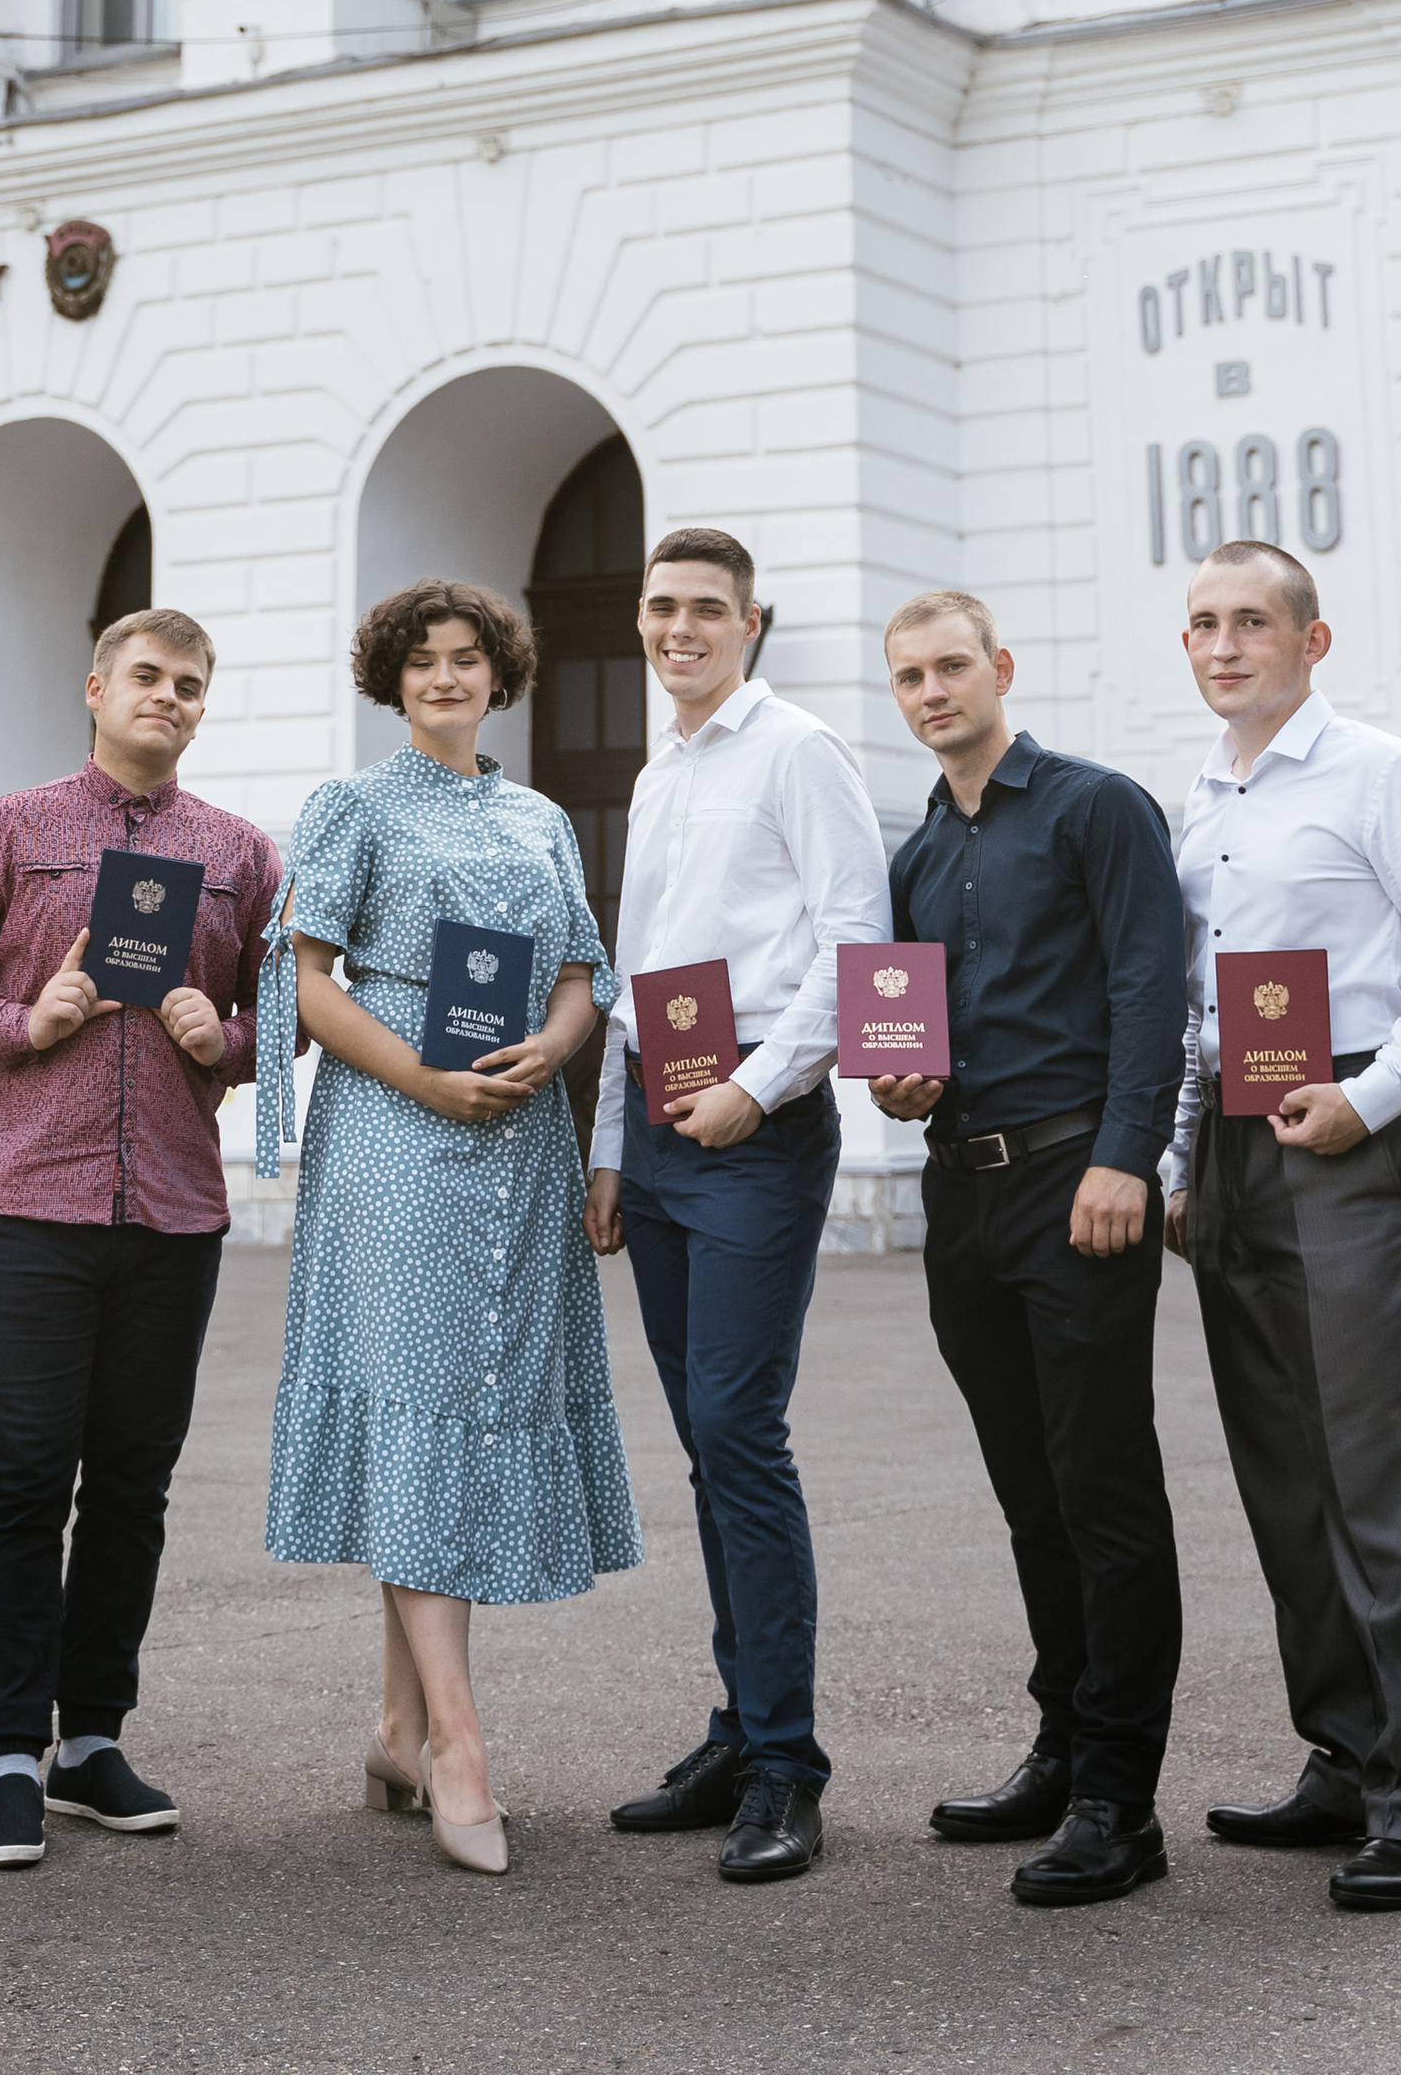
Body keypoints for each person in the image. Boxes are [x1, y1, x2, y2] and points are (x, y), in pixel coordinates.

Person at [258, 581, 641, 1880]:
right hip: (398, 1135)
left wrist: (559, 1042)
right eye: (421, 661)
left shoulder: (538, 818)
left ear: (498, 676)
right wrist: (422, 1077)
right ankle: (460, 1744)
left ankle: (394, 1726)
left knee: (460, 1412)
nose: (444, 677)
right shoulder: (351, 807)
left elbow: (587, 971)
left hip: (520, 1132)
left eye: (466, 658)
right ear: (391, 676)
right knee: (424, 1404)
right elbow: (309, 980)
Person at [1163, 542, 1401, 1912]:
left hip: (1352, 1146)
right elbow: (1203, 1012)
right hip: (1237, 1163)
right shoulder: (1200, 805)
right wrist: (1181, 1158)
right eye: (1202, 624)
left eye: (1251, 621)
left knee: (1382, 1479)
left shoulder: (1380, 772)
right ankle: (1348, 1754)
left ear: (1312, 642)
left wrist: (1374, 1097)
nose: (1223, 644)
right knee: (1286, 1480)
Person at [0, 607, 279, 1869]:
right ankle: (7, 1749)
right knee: (22, 1482)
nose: (168, 699)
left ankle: (90, 1741)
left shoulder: (237, 851)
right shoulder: (6, 828)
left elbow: (295, 1010)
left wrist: (227, 1041)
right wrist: (22, 1020)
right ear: (96, 687)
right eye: (148, 679)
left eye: (190, 686)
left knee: (130, 1486)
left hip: (173, 1208)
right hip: (29, 1205)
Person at [869, 591, 1186, 1909]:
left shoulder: (1097, 806)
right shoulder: (919, 849)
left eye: (953, 667)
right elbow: (911, 1025)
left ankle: (1122, 1796)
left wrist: (1129, 1154)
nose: (933, 691)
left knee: (1103, 1485)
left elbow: (1149, 982)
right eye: (909, 678)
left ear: (1001, 669)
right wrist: (899, 1085)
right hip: (966, 1194)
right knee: (1031, 1491)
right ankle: (1061, 1746)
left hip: (1079, 1181)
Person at [585, 530, 890, 1885]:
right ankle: (737, 1726)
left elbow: (860, 946)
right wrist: (607, 1145)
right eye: (660, 610)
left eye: (706, 610)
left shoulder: (799, 750)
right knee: (709, 1446)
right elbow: (635, 970)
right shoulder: (662, 773)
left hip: (753, 1134)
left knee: (738, 1431)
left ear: (750, 623)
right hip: (658, 1129)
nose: (680, 630)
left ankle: (786, 1766)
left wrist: (760, 1094)